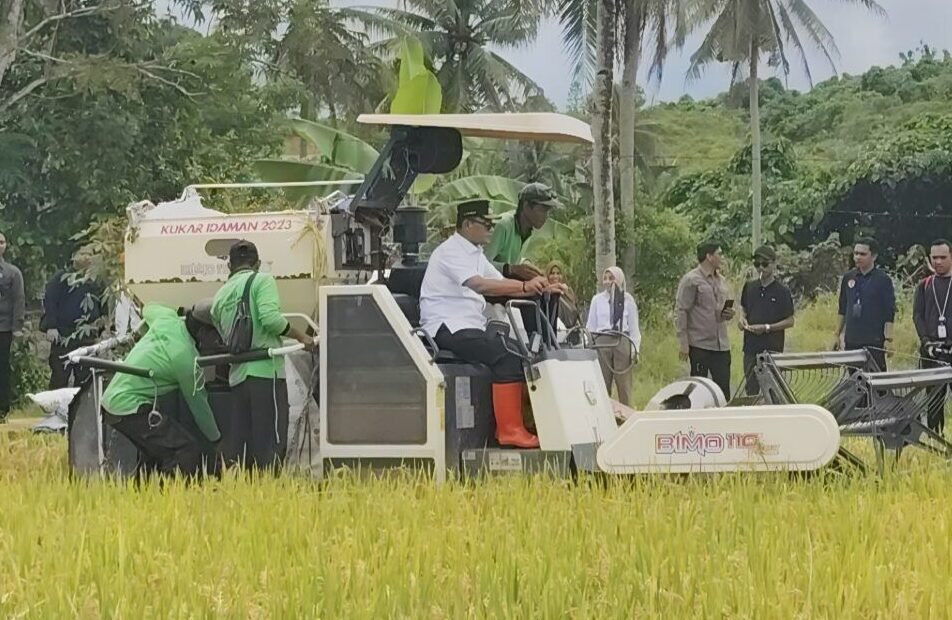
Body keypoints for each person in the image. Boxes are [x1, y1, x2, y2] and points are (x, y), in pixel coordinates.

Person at [419, 200, 565, 449]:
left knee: (522, 351)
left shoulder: (475, 253)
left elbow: (500, 283)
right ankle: (509, 430)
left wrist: (544, 289)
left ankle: (524, 422)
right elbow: (481, 285)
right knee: (506, 355)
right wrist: (523, 286)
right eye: (485, 224)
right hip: (447, 326)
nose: (491, 229)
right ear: (467, 225)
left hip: (469, 324)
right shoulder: (450, 252)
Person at [211, 240, 314, 472]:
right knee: (270, 443)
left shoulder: (219, 296)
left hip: (237, 378)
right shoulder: (262, 280)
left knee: (244, 445)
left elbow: (224, 336)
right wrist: (300, 336)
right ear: (257, 264)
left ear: (229, 266)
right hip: (266, 373)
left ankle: (247, 494)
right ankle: (269, 494)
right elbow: (270, 319)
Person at [100, 303, 221, 479]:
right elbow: (199, 407)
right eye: (216, 335)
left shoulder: (166, 319)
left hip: (113, 400)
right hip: (130, 406)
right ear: (203, 333)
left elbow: (147, 308)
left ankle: (146, 497)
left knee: (155, 454)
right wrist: (216, 440)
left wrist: (141, 334)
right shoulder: (186, 358)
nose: (218, 340)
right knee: (184, 450)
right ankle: (172, 496)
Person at [40, 245, 106, 389]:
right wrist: (51, 326)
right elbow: (50, 301)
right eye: (83, 253)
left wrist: (103, 324)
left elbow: (103, 302)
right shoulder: (61, 278)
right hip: (63, 334)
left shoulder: (95, 280)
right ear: (74, 256)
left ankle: (80, 409)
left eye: (90, 253)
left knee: (85, 376)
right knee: (60, 375)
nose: (88, 257)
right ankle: (55, 408)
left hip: (87, 334)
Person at [675, 241, 735, 400]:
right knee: (699, 389)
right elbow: (682, 310)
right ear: (709, 256)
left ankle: (722, 422)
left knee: (723, 391)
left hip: (721, 344)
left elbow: (719, 310)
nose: (721, 257)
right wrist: (683, 342)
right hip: (700, 343)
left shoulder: (721, 280)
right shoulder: (691, 280)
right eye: (719, 253)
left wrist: (729, 313)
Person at [738, 246, 795, 396]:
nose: (761, 268)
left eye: (765, 264)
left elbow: (790, 320)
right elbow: (744, 309)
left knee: (772, 388)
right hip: (751, 346)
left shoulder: (782, 291)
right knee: (751, 388)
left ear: (774, 264)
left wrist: (767, 327)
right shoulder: (750, 286)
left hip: (772, 347)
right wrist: (742, 320)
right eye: (757, 264)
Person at [833, 237, 895, 371]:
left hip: (874, 341)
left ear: (874, 256)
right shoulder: (849, 277)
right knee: (854, 382)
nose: (858, 257)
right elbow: (842, 308)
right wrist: (836, 335)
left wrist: (889, 340)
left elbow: (889, 312)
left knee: (876, 383)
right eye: (855, 253)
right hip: (852, 339)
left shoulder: (883, 280)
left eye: (862, 254)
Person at [586, 266, 641, 406]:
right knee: (603, 382)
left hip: (622, 340)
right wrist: (588, 346)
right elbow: (591, 326)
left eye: (611, 278)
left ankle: (627, 415)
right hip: (602, 340)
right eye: (605, 278)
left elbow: (634, 328)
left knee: (624, 384)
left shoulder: (627, 300)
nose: (608, 281)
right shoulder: (597, 300)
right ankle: (604, 414)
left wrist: (635, 350)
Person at [483, 182, 561, 281]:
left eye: (548, 212)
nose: (545, 217)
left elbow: (512, 258)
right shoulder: (503, 225)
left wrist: (527, 265)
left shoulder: (528, 229)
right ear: (526, 206)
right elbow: (482, 264)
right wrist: (511, 269)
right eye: (542, 210)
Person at [912, 239, 952, 433]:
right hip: (931, 351)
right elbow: (917, 316)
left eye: (943, 257)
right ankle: (936, 440)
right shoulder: (924, 285)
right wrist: (926, 342)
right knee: (934, 400)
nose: (938, 262)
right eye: (934, 257)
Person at [0, 232, 25, 423]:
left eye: (1, 242)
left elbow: (19, 299)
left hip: (4, 328)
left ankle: (2, 409)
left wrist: (17, 326)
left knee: (2, 368)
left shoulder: (12, 272)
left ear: (6, 245)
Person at [545, 260, 580, 328]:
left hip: (570, 332)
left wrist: (565, 293)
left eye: (558, 273)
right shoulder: (544, 294)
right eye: (552, 273)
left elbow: (575, 313)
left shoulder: (569, 292)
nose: (555, 276)